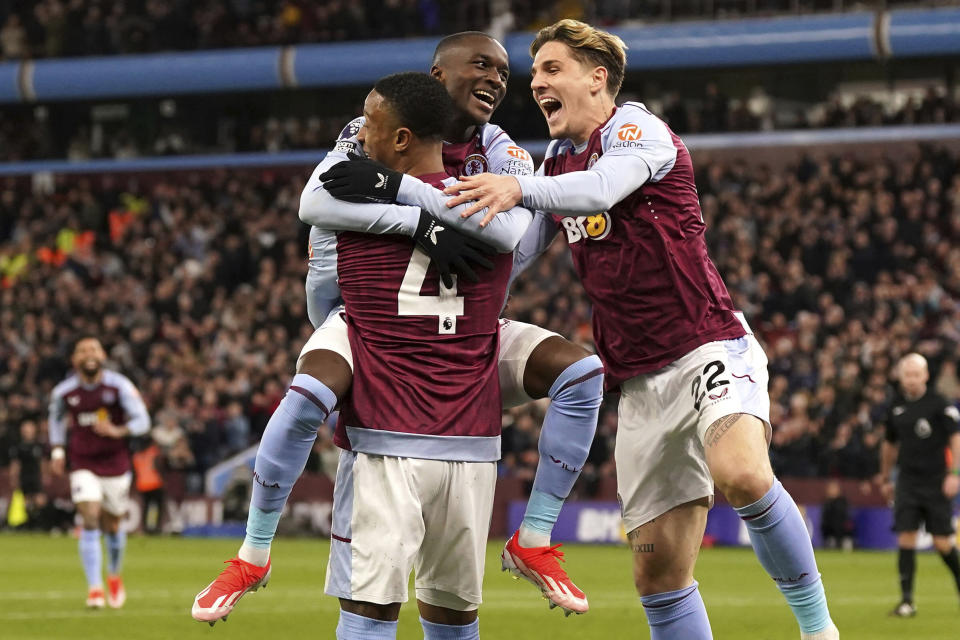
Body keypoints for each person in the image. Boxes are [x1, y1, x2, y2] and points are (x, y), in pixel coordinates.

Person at [334, 18, 839, 640]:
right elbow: (514, 255)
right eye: (536, 72)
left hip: (707, 348)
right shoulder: (558, 160)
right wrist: (430, 250)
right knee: (660, 577)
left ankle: (819, 631)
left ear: (597, 78)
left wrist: (518, 187)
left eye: (552, 69)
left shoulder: (635, 130)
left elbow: (600, 191)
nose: (535, 83)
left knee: (741, 474)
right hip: (639, 384)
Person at [192, 31, 603, 626]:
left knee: (581, 372)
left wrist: (417, 200)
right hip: (358, 310)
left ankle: (535, 535)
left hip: (466, 320)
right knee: (311, 389)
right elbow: (315, 200)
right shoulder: (368, 132)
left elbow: (513, 234)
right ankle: (253, 552)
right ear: (439, 76)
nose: (495, 79)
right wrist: (420, 217)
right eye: (482, 66)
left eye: (503, 73)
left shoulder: (501, 149)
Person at [49, 336, 151, 609]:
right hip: (82, 464)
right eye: (82, 350)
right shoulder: (64, 392)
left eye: (93, 349)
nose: (88, 354)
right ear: (74, 359)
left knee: (113, 526)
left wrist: (119, 430)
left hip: (116, 465)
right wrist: (57, 450)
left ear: (103, 355)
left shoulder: (118, 386)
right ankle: (95, 588)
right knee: (90, 518)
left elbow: (143, 420)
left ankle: (114, 576)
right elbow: (56, 420)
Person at [877, 353, 960, 617]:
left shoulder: (939, 404)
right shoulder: (895, 407)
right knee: (906, 537)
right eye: (907, 374)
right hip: (908, 482)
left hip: (936, 481)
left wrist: (955, 473)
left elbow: (955, 438)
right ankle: (906, 602)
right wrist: (885, 476)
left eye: (916, 374)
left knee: (942, 543)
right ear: (901, 377)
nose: (911, 380)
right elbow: (889, 445)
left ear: (925, 376)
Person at [8, 420, 47, 529]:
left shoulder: (39, 446)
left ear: (34, 430)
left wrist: (45, 475)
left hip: (36, 476)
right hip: (24, 477)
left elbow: (42, 462)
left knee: (40, 501)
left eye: (30, 429)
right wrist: (13, 478)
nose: (27, 432)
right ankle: (28, 524)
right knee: (26, 501)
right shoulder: (18, 447)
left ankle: (39, 523)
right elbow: (15, 464)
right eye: (25, 430)